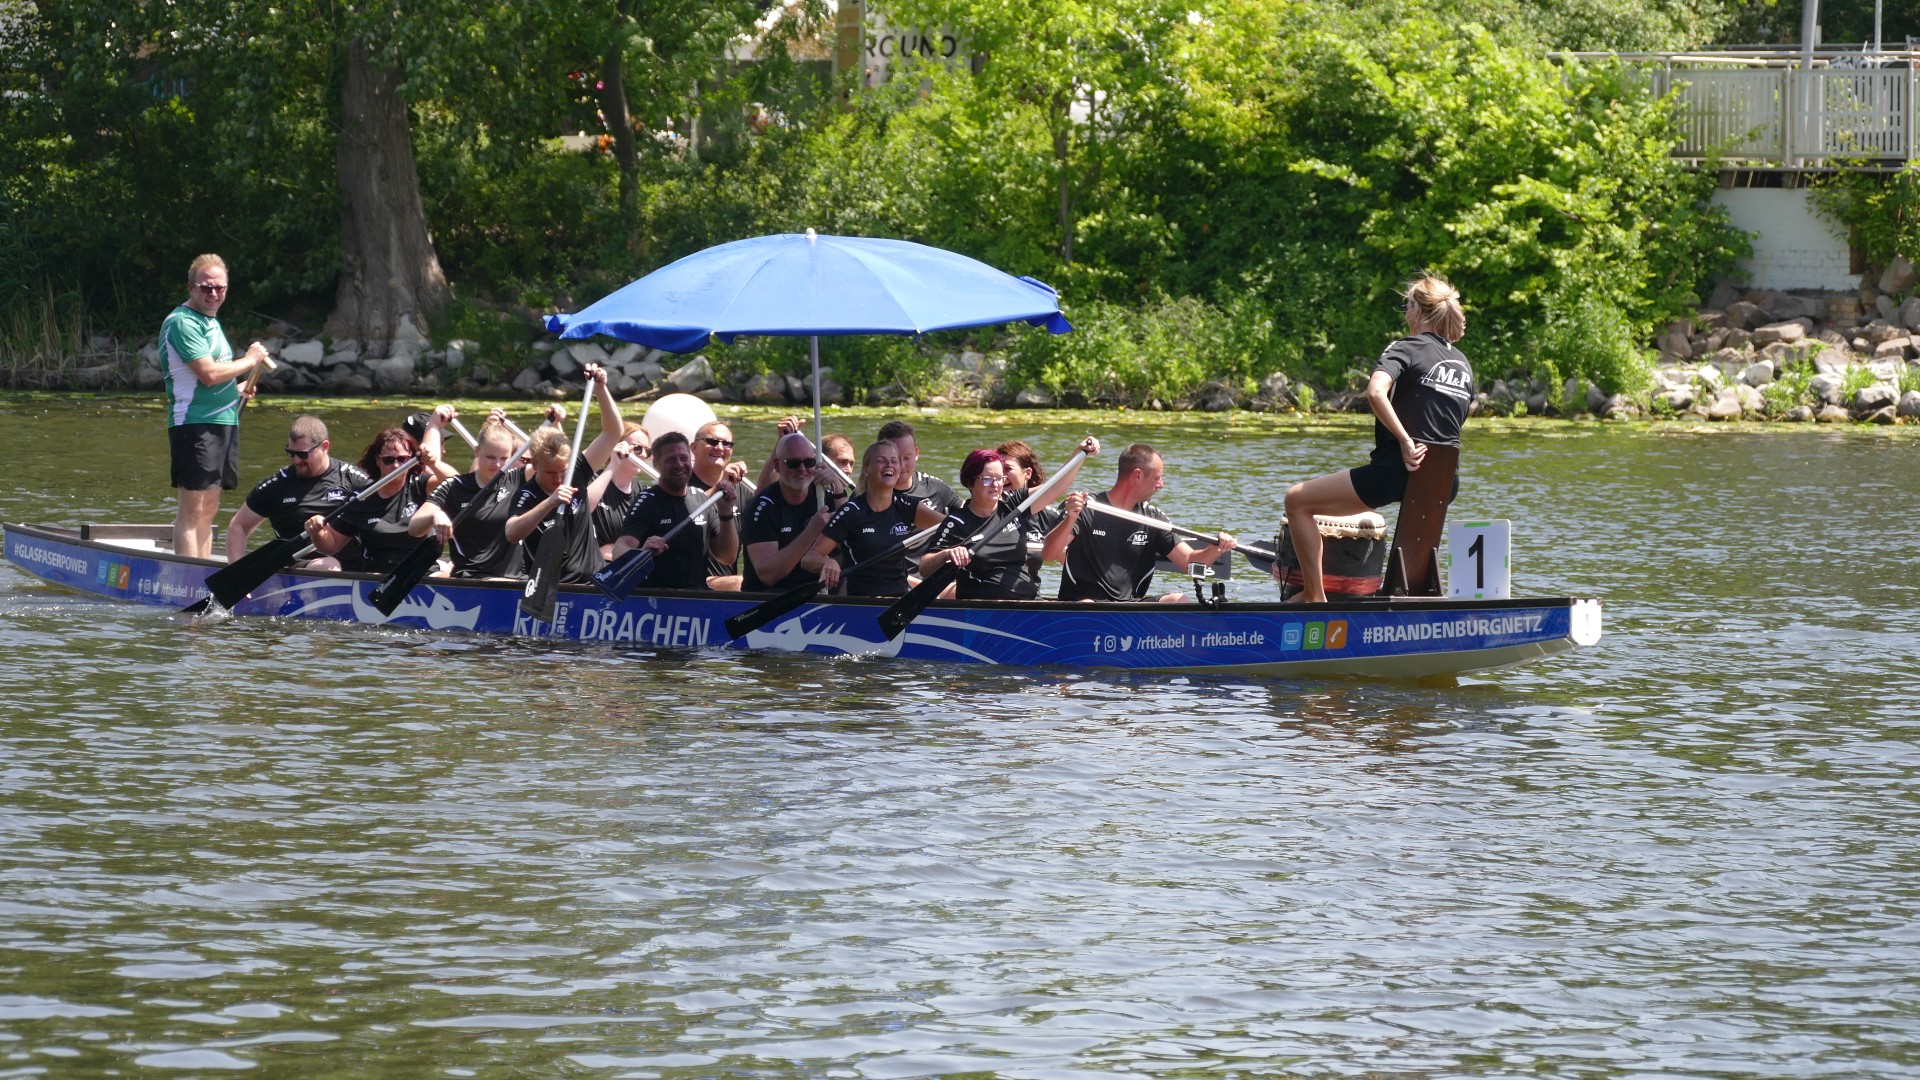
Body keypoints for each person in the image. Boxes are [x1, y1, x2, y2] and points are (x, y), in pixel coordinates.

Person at [1282, 275, 1472, 603]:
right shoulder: (1462, 363)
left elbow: (1375, 392)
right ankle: (1415, 594)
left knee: (1297, 501)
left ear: (1419, 311)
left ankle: (1314, 596)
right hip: (1444, 482)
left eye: (1407, 306)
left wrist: (1405, 441)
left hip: (1397, 469)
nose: (1405, 313)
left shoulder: (1406, 347)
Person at [162, 254, 269, 558]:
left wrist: (236, 390)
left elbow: (213, 378)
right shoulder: (182, 323)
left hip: (223, 421)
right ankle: (186, 578)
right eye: (206, 287)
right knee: (192, 511)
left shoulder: (211, 322)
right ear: (191, 288)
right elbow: (208, 374)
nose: (213, 294)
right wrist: (250, 360)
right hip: (194, 423)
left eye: (219, 288)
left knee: (209, 510)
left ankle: (203, 574)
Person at [1046, 442, 1236, 603]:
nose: (1161, 485)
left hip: (1130, 607)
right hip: (1082, 605)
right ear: (1137, 475)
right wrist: (1071, 518)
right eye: (1157, 478)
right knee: (1088, 605)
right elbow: (1049, 554)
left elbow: (1189, 563)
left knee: (1180, 600)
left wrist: (1215, 548)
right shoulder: (1086, 507)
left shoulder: (1152, 518)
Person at [922, 438, 1097, 601]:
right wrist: (947, 553)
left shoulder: (1012, 504)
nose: (996, 485)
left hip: (1028, 603)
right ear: (970, 482)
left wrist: (1080, 453)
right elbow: (924, 567)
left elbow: (1055, 487)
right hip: (982, 608)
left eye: (999, 478)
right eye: (987, 479)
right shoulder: (957, 522)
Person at [225, 415, 371, 570]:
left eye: (302, 454)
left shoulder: (353, 480)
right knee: (329, 566)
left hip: (353, 568)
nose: (296, 460)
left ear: (325, 446)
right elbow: (238, 526)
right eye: (291, 453)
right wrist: (235, 570)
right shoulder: (277, 485)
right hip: (299, 567)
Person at [308, 426, 453, 573]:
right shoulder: (362, 498)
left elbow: (456, 484)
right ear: (378, 460)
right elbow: (330, 546)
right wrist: (317, 531)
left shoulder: (421, 485)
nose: (396, 465)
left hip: (422, 572)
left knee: (447, 572)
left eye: (402, 459)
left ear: (411, 459)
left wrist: (433, 463)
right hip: (378, 575)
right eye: (388, 460)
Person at [811, 440, 948, 597]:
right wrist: (827, 562)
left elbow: (952, 526)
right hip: (862, 601)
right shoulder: (851, 512)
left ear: (899, 470)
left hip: (900, 600)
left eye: (894, 461)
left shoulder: (907, 506)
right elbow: (810, 558)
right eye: (880, 461)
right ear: (866, 470)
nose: (889, 465)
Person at [610, 431, 739, 591]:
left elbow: (727, 557)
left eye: (684, 458)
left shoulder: (701, 499)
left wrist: (726, 513)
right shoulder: (647, 501)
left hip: (697, 593)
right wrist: (642, 553)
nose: (679, 465)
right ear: (656, 464)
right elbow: (619, 551)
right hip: (658, 594)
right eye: (671, 460)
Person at [410, 415, 526, 578]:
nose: (497, 465)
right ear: (477, 451)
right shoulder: (454, 486)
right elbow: (414, 528)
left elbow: (554, 462)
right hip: (471, 578)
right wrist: (435, 515)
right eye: (490, 457)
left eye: (504, 458)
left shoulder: (518, 478)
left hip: (515, 580)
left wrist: (555, 423)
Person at [505, 425, 618, 584]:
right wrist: (549, 503)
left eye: (562, 470)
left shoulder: (577, 470)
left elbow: (613, 432)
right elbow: (511, 533)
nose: (558, 479)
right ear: (535, 465)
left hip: (594, 581)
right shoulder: (527, 494)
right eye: (550, 472)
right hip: (554, 586)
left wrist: (603, 405)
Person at [742, 431, 837, 592]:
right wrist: (811, 531)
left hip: (815, 591)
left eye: (809, 462)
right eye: (793, 463)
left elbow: (851, 543)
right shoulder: (761, 508)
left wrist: (839, 488)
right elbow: (768, 575)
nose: (802, 469)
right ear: (777, 465)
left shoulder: (823, 498)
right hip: (772, 596)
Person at [689, 419, 755, 589]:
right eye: (712, 441)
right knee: (740, 583)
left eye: (726, 444)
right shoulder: (681, 485)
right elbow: (685, 511)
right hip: (691, 582)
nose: (719, 448)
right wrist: (720, 486)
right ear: (694, 448)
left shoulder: (741, 490)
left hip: (726, 581)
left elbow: (766, 504)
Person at [877, 419, 963, 517]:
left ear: (916, 454)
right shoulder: (868, 495)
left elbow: (969, 516)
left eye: (907, 458)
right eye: (894, 459)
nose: (901, 465)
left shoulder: (936, 489)